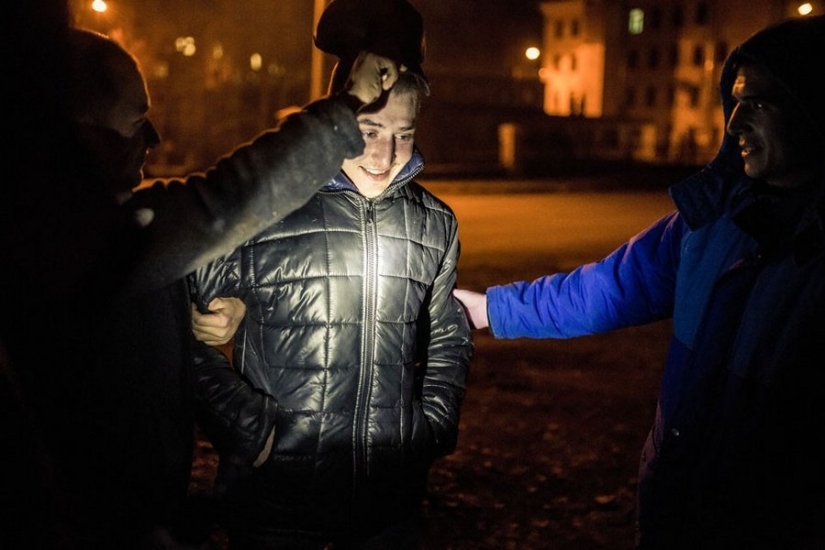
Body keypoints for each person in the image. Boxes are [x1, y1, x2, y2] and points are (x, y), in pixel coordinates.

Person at [0, 24, 401, 549]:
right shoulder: (53, 237)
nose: (153, 140)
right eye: (137, 121)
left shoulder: (97, 228)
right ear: (79, 133)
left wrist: (208, 314)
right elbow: (224, 204)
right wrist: (345, 107)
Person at [453, 14, 825, 550]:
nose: (736, 121)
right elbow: (610, 287)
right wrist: (491, 310)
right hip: (677, 510)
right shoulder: (710, 221)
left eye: (762, 103)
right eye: (736, 100)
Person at [188, 3, 472, 548]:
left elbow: (448, 336)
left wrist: (431, 428)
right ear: (339, 120)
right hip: (277, 506)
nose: (385, 154)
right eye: (369, 129)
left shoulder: (435, 224)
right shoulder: (268, 210)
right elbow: (176, 323)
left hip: (389, 509)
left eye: (404, 133)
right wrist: (247, 426)